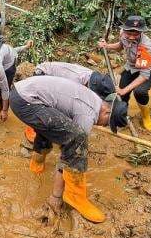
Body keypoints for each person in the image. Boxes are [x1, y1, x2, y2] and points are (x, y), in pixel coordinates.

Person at [10, 75, 128, 222]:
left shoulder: (94, 99)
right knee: (77, 140)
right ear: (106, 112)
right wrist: (57, 195)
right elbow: (70, 151)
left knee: (54, 126)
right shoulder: (88, 114)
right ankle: (72, 196)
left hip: (23, 93)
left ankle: (36, 165)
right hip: (27, 101)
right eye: (107, 123)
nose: (103, 126)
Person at [22, 61, 115, 143]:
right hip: (43, 75)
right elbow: (62, 97)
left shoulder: (93, 78)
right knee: (52, 108)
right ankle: (33, 129)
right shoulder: (75, 81)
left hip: (52, 77)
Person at [97, 16, 151, 131]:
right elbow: (120, 46)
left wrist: (124, 89)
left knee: (140, 92)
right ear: (124, 29)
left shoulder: (146, 46)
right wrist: (107, 46)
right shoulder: (123, 33)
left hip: (147, 70)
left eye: (135, 34)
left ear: (141, 32)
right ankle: (122, 117)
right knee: (121, 94)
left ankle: (145, 115)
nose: (131, 37)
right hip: (131, 67)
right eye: (128, 33)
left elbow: (144, 76)